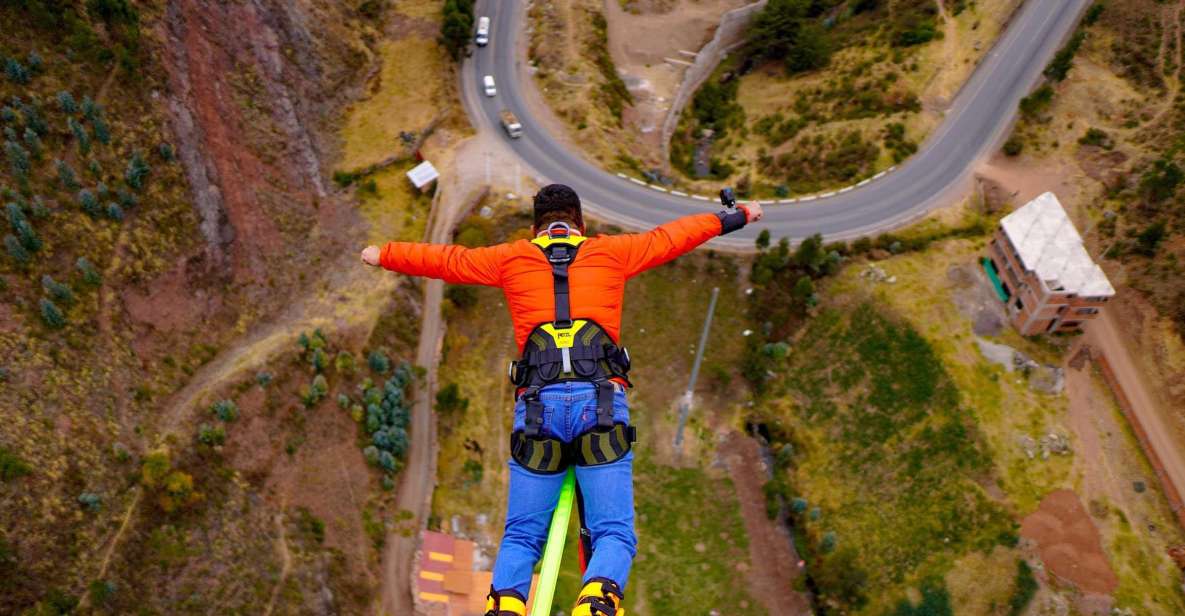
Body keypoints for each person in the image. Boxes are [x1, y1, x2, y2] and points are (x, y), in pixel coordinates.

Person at [361, 184, 762, 616]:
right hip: (601, 407)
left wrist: (383, 254)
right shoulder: (612, 252)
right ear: (579, 223)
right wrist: (736, 215)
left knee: (521, 536)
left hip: (538, 412)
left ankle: (508, 605)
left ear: (536, 228)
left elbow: (446, 261)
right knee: (612, 533)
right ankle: (595, 600)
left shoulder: (510, 258)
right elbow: (675, 235)